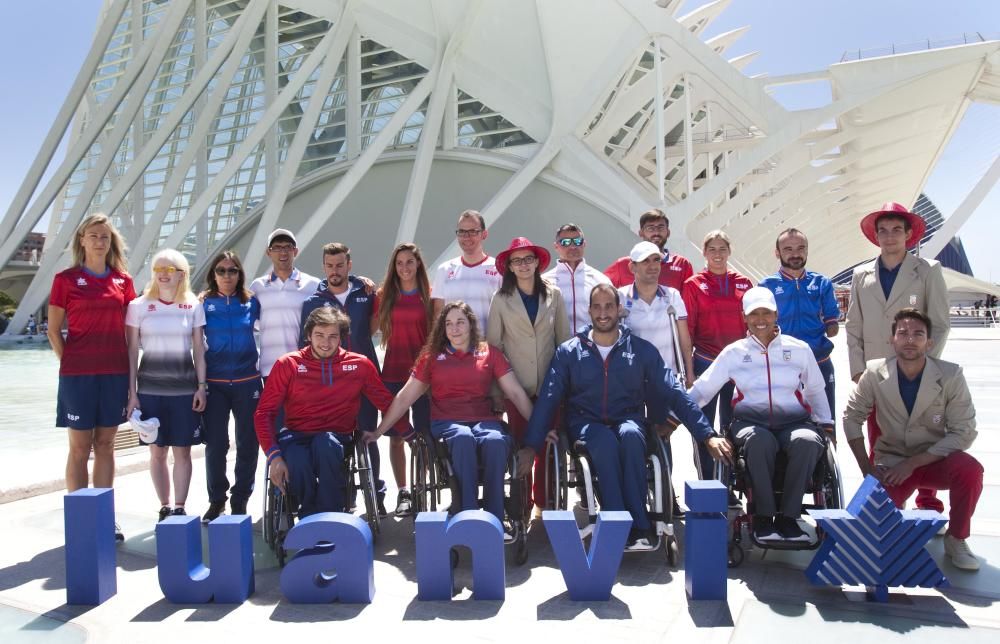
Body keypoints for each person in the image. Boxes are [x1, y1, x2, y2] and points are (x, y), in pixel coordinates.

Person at [518, 284, 731, 548]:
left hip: (627, 419)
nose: (603, 312)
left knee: (631, 437)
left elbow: (675, 392)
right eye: (597, 306)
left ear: (620, 309)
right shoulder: (569, 352)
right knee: (605, 442)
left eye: (609, 306)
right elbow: (549, 399)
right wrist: (531, 445)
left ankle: (641, 527)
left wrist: (707, 434)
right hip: (585, 423)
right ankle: (617, 524)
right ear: (590, 311)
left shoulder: (641, 350)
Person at [366, 301, 533, 523]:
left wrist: (539, 428)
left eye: (460, 322)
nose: (455, 328)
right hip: (447, 422)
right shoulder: (432, 357)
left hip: (484, 419)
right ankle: (467, 512)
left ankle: (495, 514)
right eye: (449, 324)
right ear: (442, 329)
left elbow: (516, 393)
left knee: (496, 440)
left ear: (471, 325)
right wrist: (379, 432)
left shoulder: (489, 353)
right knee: (463, 438)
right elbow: (405, 397)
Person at [688, 287, 833, 542]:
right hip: (749, 422)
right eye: (754, 314)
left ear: (776, 314)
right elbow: (704, 388)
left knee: (808, 442)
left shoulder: (798, 349)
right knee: (759, 440)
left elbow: (815, 389)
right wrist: (674, 415)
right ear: (744, 318)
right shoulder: (735, 352)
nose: (760, 319)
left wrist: (826, 424)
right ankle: (763, 518)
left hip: (794, 421)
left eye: (766, 312)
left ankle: (789, 519)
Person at [843, 309, 982, 571]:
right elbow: (851, 417)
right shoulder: (874, 372)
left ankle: (957, 538)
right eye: (903, 333)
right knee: (873, 537)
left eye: (918, 334)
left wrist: (915, 462)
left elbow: (964, 431)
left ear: (930, 342)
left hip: (933, 460)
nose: (910, 339)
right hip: (892, 464)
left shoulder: (951, 375)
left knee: (970, 469)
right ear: (892, 340)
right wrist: (867, 469)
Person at [846, 202, 950, 514]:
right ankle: (887, 495)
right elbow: (854, 325)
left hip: (918, 368)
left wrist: (926, 364)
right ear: (875, 236)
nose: (889, 237)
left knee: (924, 434)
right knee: (880, 435)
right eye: (883, 231)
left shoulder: (928, 271)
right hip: (877, 372)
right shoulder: (860, 274)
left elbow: (940, 323)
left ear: (908, 235)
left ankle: (927, 502)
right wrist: (857, 370)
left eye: (896, 230)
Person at [255, 307, 408, 518]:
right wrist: (273, 456)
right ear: (308, 335)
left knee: (325, 443)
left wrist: (410, 434)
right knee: (297, 459)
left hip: (337, 437)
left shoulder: (359, 365)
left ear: (342, 338)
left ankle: (330, 515)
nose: (325, 343)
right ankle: (308, 515)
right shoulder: (288, 364)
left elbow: (386, 403)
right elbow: (264, 413)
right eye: (319, 335)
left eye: (332, 336)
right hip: (296, 435)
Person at [48, 213, 136, 540]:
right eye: (93, 235)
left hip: (114, 373)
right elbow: (54, 331)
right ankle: (79, 517)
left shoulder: (123, 282)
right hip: (78, 377)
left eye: (105, 236)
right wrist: (69, 362)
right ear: (82, 240)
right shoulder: (65, 279)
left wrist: (132, 380)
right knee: (79, 448)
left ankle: (104, 515)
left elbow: (132, 333)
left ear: (110, 242)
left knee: (106, 445)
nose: (99, 241)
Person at [299, 242, 389, 515]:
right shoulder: (313, 302)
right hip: (328, 385)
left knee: (367, 438)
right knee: (334, 442)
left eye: (339, 265)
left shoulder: (365, 292)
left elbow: (375, 324)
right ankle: (341, 495)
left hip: (364, 380)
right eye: (329, 266)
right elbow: (304, 346)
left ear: (349, 265)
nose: (334, 271)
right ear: (323, 267)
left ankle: (377, 495)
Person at [487, 237, 571, 512]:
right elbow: (494, 348)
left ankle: (546, 503)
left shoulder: (554, 294)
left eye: (528, 259)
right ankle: (522, 504)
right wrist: (497, 392)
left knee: (547, 445)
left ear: (537, 262)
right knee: (522, 445)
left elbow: (564, 342)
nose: (523, 265)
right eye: (517, 260)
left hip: (550, 384)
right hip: (516, 385)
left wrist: (567, 385)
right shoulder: (501, 299)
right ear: (509, 267)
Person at [126, 249, 207, 522]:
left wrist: (201, 387)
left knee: (182, 451)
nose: (162, 273)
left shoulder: (193, 305)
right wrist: (132, 394)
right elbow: (131, 353)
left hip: (184, 391)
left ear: (181, 274)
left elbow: (198, 350)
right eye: (158, 268)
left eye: (169, 269)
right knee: (157, 451)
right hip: (150, 391)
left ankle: (181, 506)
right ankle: (164, 505)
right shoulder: (138, 306)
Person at [682, 229, 753, 480]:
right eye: (712, 249)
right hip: (706, 364)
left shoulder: (744, 283)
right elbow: (687, 328)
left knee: (733, 426)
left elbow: (752, 326)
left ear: (729, 251)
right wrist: (689, 371)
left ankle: (731, 481)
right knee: (703, 426)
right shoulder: (692, 285)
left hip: (736, 367)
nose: (718, 254)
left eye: (722, 248)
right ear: (704, 253)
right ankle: (707, 480)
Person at [199, 251, 261, 521]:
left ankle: (240, 499)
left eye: (232, 270)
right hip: (216, 383)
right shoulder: (202, 303)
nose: (227, 275)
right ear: (213, 274)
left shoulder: (252, 302)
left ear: (240, 274)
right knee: (216, 445)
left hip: (248, 382)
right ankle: (216, 500)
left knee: (248, 443)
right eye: (221, 270)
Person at [374, 242, 433, 516]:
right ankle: (404, 491)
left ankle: (421, 487)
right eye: (400, 263)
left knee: (421, 436)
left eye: (410, 262)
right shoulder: (384, 295)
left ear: (418, 264)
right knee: (396, 437)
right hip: (393, 372)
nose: (405, 267)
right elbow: (368, 328)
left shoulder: (429, 296)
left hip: (422, 374)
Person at [758, 229, 841, 423]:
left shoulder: (822, 283)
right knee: (786, 423)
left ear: (807, 250)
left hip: (820, 361)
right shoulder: (766, 286)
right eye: (788, 249)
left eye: (800, 248)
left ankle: (829, 452)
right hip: (782, 364)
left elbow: (832, 323)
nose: (795, 254)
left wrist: (831, 325)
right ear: (777, 253)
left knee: (826, 420)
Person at [250, 229, 320, 380]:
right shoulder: (257, 287)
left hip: (305, 367)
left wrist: (357, 280)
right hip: (270, 367)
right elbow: (247, 318)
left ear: (295, 251)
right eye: (277, 248)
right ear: (268, 253)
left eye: (288, 247)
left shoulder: (313, 284)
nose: (283, 252)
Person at [431, 209, 501, 334]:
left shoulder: (499, 269)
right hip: (452, 349)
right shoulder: (444, 269)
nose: (466, 237)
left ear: (484, 234)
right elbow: (438, 314)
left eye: (473, 231)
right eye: (462, 232)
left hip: (487, 348)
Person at [541, 223, 612, 333]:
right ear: (556, 246)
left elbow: (613, 316)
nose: (573, 246)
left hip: (592, 347)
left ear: (584, 244)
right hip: (556, 348)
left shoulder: (600, 280)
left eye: (577, 241)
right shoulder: (544, 281)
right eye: (566, 242)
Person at [604, 208, 693, 291]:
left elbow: (689, 302)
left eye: (661, 228)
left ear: (668, 232)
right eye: (650, 228)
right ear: (641, 233)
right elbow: (600, 290)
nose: (656, 232)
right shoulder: (623, 264)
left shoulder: (682, 264)